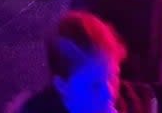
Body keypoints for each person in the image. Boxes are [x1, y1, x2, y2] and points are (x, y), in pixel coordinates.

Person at [14, 11, 151, 113]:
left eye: (113, 76)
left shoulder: (129, 101)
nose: (109, 93)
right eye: (94, 86)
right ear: (63, 86)